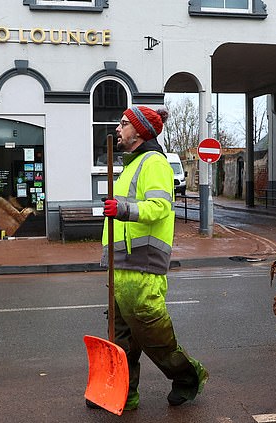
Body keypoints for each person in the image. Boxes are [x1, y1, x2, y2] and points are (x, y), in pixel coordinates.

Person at [88, 106, 208, 411]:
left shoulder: (154, 163)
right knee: (122, 338)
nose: (118, 128)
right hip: (121, 264)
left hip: (142, 265)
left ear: (139, 131)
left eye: (124, 123)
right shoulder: (133, 164)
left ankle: (188, 376)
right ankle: (123, 393)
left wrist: (123, 209)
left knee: (154, 336)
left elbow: (159, 207)